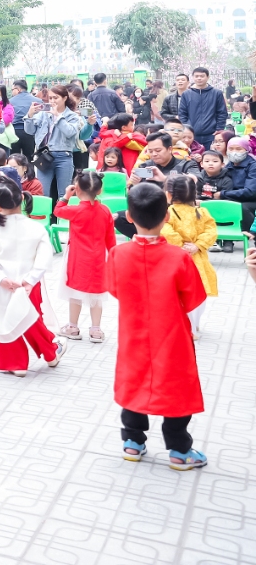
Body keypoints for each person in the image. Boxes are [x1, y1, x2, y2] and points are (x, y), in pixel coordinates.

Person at [106, 183, 207, 469]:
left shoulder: (118, 254)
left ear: (129, 216)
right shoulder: (179, 257)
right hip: (171, 333)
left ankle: (132, 441)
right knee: (175, 384)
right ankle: (179, 449)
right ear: (167, 217)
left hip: (133, 331)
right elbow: (194, 298)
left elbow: (114, 289)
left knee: (133, 380)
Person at [0, 181, 61, 378]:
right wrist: (30, 280)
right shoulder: (36, 228)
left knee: (4, 319)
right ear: (22, 198)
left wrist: (2, 279)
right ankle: (50, 353)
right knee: (31, 319)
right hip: (29, 284)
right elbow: (44, 258)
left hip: (2, 285)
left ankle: (16, 364)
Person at [56, 170, 118, 343]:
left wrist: (66, 196)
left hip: (77, 258)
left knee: (75, 292)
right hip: (99, 258)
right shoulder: (105, 211)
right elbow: (110, 239)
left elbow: (57, 211)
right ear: (100, 190)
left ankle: (73, 327)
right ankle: (96, 330)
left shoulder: (74, 210)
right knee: (97, 295)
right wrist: (113, 257)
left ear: (77, 189)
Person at [162, 175, 218, 339]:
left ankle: (186, 326)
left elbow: (165, 231)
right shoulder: (201, 212)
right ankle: (194, 324)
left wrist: (180, 244)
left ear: (169, 194)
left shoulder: (168, 213)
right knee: (198, 293)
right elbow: (211, 231)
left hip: (176, 258)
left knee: (179, 294)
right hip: (198, 258)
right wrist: (197, 245)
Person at [25, 85, 78, 201]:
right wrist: (29, 116)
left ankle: (61, 213)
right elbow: (30, 131)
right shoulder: (43, 114)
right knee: (43, 193)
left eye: (56, 98)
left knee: (64, 194)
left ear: (65, 98)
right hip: (44, 156)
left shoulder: (72, 116)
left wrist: (58, 117)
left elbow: (70, 132)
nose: (52, 101)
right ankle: (45, 213)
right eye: (50, 98)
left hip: (64, 156)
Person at [179, 67, 227, 149]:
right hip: (192, 135)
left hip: (211, 134)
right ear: (193, 77)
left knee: (210, 155)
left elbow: (222, 112)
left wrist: (219, 128)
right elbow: (182, 113)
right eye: (196, 76)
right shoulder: (186, 94)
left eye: (202, 76)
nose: (199, 78)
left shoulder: (216, 93)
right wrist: (186, 128)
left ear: (207, 77)